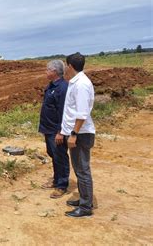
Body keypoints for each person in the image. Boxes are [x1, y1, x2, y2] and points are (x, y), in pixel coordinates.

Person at [61, 52, 96, 218]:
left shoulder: (81, 84)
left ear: (69, 66)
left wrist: (73, 134)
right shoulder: (76, 82)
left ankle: (85, 207)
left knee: (82, 170)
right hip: (77, 132)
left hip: (80, 134)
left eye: (65, 65)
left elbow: (81, 113)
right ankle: (84, 199)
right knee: (79, 169)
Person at [38, 60, 69, 199]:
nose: (46, 72)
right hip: (48, 128)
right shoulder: (51, 86)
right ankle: (56, 179)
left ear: (54, 72)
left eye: (47, 70)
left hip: (56, 131)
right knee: (53, 154)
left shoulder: (63, 88)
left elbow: (63, 112)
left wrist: (60, 132)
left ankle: (62, 185)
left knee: (60, 156)